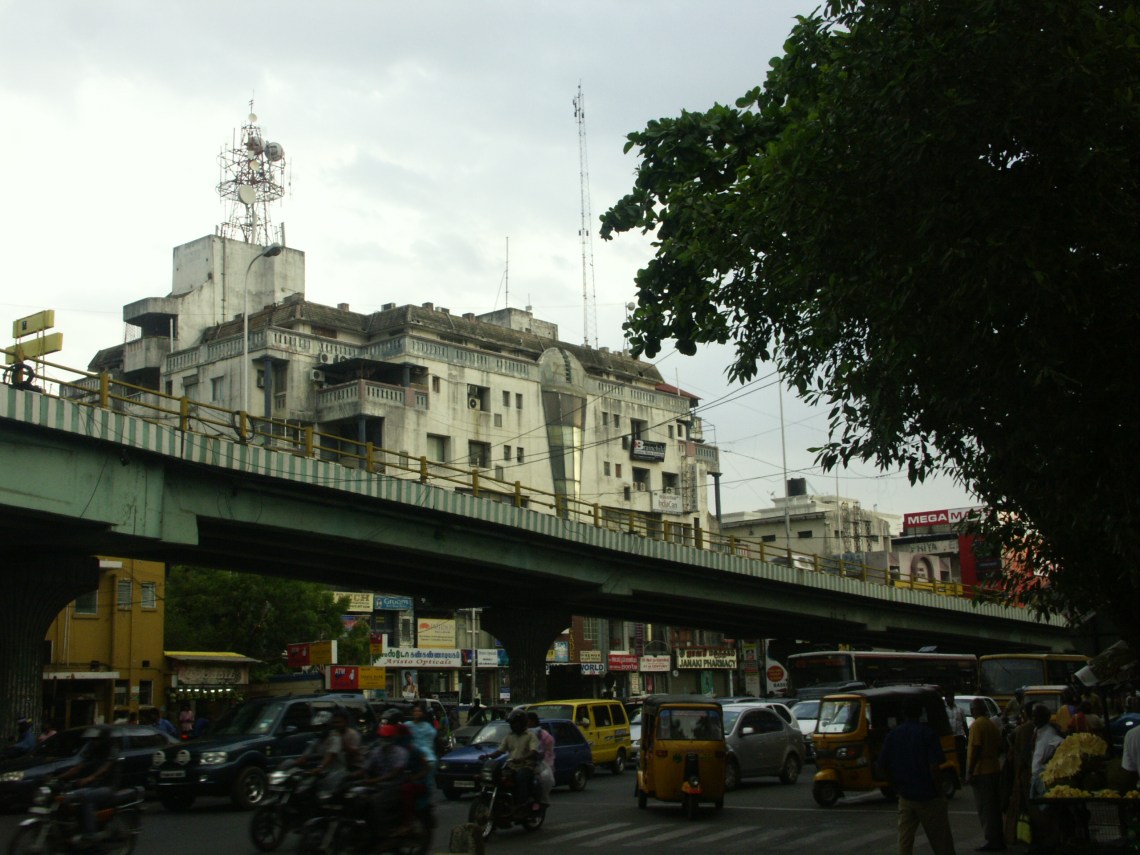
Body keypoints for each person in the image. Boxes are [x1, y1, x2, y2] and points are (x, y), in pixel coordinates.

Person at [875, 697, 957, 855]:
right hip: (929, 796)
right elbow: (934, 766)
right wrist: (939, 791)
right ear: (921, 713)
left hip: (906, 796)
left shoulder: (893, 735)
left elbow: (882, 766)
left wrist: (894, 786)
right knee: (941, 842)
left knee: (905, 841)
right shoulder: (927, 734)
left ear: (903, 713)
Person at [57, 726, 120, 844]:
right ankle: (72, 829)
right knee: (67, 797)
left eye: (97, 739)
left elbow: (106, 768)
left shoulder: (112, 749)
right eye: (93, 739)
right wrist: (59, 777)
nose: (94, 742)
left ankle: (90, 834)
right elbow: (79, 766)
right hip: (93, 786)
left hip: (107, 787)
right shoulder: (92, 749)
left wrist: (90, 778)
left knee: (87, 798)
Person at [966, 697, 1006, 851]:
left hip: (982, 771)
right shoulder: (991, 724)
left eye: (972, 709)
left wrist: (970, 771)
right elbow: (1000, 746)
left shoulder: (977, 725)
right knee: (994, 807)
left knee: (985, 808)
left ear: (974, 710)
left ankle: (992, 840)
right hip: (994, 768)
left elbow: (976, 748)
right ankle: (998, 838)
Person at [480, 711, 541, 810]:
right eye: (512, 723)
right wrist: (487, 756)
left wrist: (523, 758)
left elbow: (533, 751)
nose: (513, 725)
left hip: (526, 766)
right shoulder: (509, 736)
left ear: (522, 723)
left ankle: (522, 804)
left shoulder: (530, 736)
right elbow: (500, 751)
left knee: (520, 777)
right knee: (497, 777)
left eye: (515, 723)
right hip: (511, 766)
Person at [1002, 702, 1037, 847]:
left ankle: (1023, 838)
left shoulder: (1025, 729)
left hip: (1025, 775)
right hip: (1030, 773)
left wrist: (1017, 775)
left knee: (1023, 807)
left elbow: (1021, 754)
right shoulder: (1035, 728)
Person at [526, 711, 555, 806]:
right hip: (525, 763)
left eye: (528, 721)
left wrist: (544, 761)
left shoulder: (543, 734)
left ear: (533, 721)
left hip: (538, 763)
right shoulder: (522, 733)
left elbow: (549, 750)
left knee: (543, 778)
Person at [944, 688, 967, 776]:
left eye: (951, 697)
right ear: (945, 698)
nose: (949, 699)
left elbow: (964, 724)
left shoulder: (960, 710)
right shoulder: (943, 710)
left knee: (962, 757)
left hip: (959, 737)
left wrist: (967, 737)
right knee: (950, 757)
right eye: (947, 697)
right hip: (949, 737)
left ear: (953, 698)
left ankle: (962, 775)